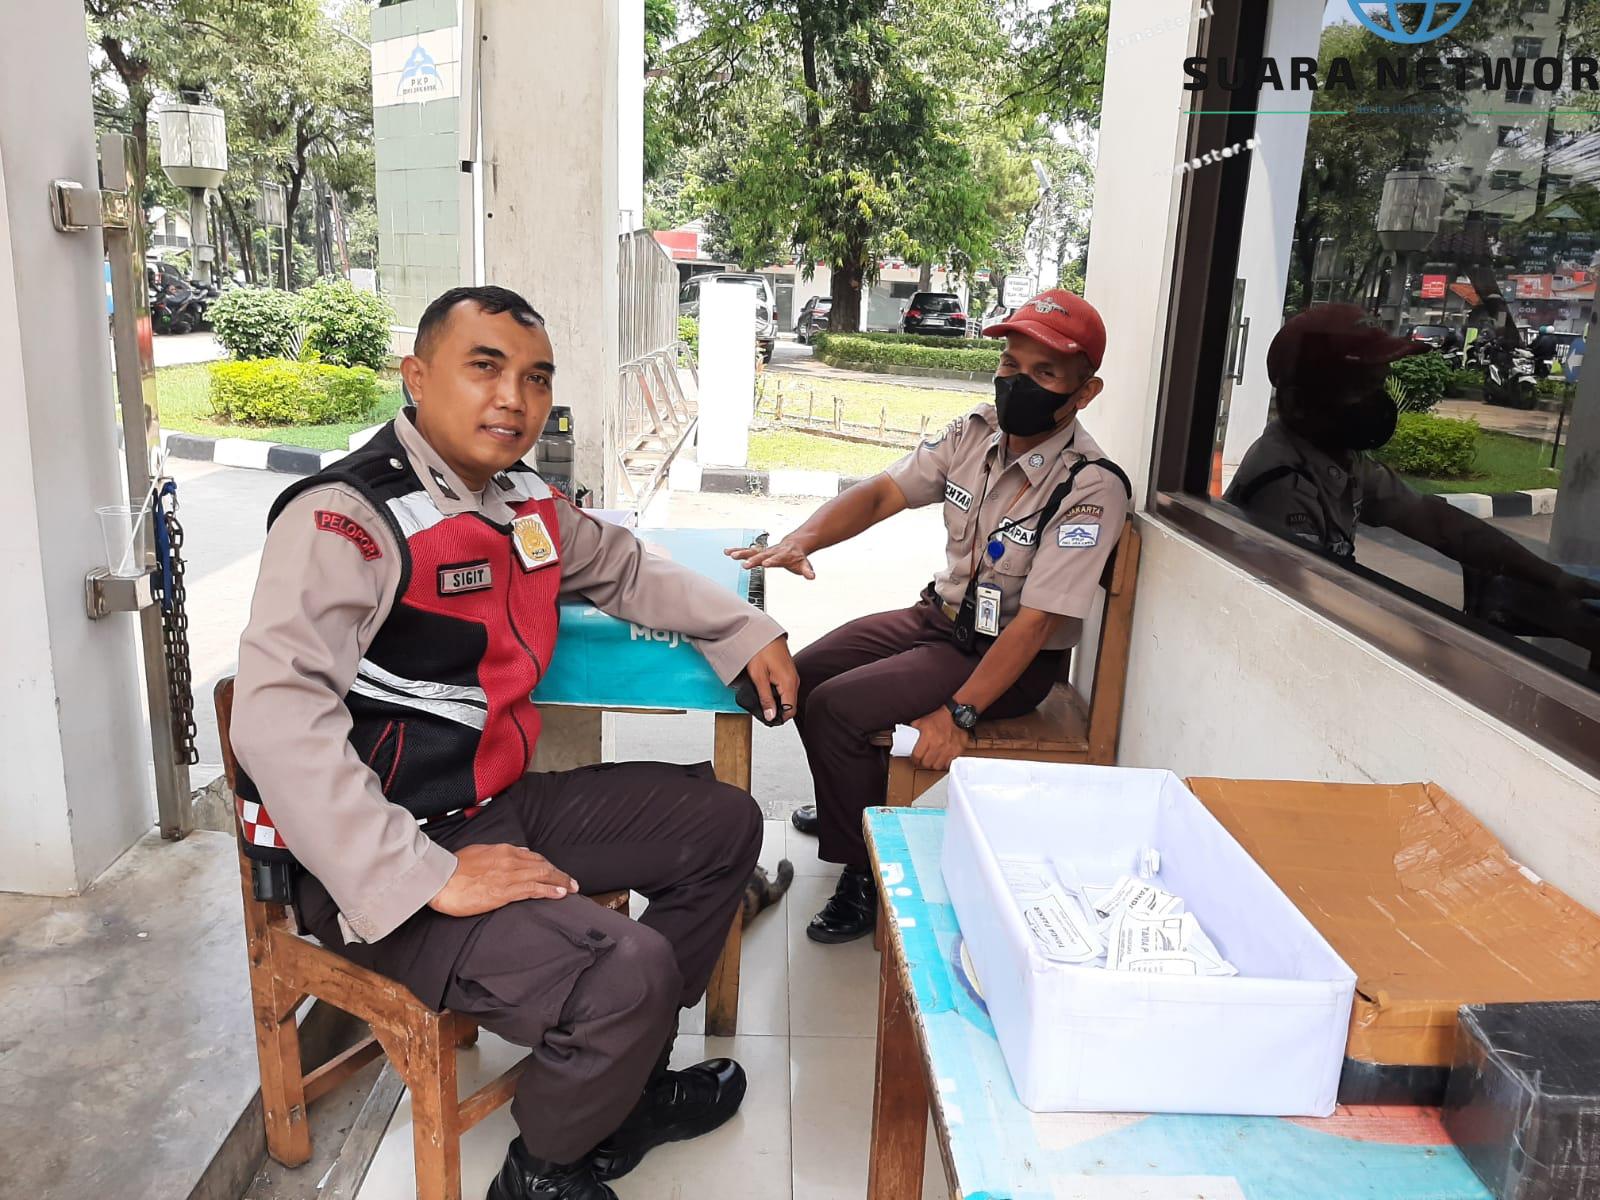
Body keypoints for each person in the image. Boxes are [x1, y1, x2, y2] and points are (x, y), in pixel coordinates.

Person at [230, 285, 800, 1200]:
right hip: (380, 856)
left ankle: (621, 1086)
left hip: (496, 803)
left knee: (725, 825)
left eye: (536, 378)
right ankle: (543, 1170)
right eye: (485, 367)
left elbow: (620, 565)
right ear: (417, 377)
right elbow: (275, 716)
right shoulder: (349, 519)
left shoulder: (520, 499)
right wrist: (425, 873)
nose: (514, 398)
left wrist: (742, 627)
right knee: (626, 971)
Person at [731, 290, 1131, 944]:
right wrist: (803, 539)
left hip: (1007, 659)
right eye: (1010, 364)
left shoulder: (1089, 485)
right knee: (805, 675)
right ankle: (850, 805)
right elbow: (883, 492)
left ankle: (864, 872)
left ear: (1085, 393)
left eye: (1045, 373)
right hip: (939, 619)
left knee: (837, 709)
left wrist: (959, 714)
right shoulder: (974, 434)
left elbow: (1034, 624)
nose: (1018, 383)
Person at [1225, 304, 1599, 614]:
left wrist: (1552, 577)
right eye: (1363, 387)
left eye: (1380, 385)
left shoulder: (1340, 459)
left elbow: (1434, 521)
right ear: (1301, 402)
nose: (1378, 403)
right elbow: (1305, 609)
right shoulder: (1284, 486)